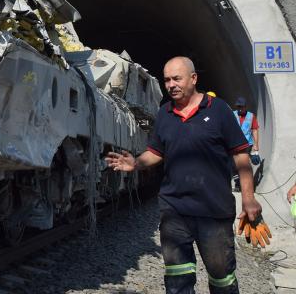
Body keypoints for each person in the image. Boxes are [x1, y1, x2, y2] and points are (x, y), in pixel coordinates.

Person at [106, 56, 261, 294]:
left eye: (176, 78)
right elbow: (156, 152)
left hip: (214, 211)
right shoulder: (165, 114)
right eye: (167, 80)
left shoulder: (218, 110)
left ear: (193, 79)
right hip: (174, 210)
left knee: (221, 277)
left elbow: (241, 156)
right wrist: (136, 163)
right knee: (178, 280)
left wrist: (249, 198)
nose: (171, 85)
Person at [232, 97, 260, 165]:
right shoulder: (232, 114)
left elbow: (254, 130)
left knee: (244, 163)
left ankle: (245, 174)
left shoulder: (251, 116)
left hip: (247, 145)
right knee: (236, 162)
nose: (240, 108)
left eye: (241, 107)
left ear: (245, 106)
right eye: (238, 106)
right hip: (235, 144)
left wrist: (256, 145)